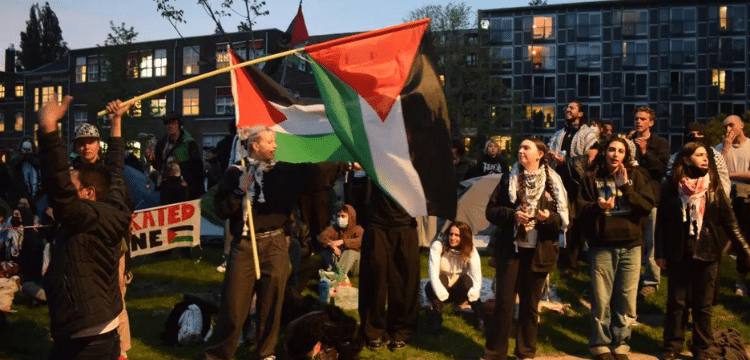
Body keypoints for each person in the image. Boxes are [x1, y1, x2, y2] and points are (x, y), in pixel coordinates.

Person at [205, 125, 356, 360]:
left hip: (275, 243)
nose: (276, 146)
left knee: (272, 305)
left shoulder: (283, 171)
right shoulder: (236, 172)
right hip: (245, 245)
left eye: (275, 141)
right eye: (270, 142)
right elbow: (222, 210)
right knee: (233, 306)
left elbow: (316, 173)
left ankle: (265, 352)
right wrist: (239, 189)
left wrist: (344, 164)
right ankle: (219, 354)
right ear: (255, 145)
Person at [37, 94, 132, 360]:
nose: (85, 148)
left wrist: (48, 131)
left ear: (89, 193)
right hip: (96, 327)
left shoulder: (83, 218)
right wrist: (116, 123)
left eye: (73, 183)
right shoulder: (111, 204)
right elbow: (115, 170)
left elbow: (60, 191)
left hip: (87, 335)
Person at [656, 142, 750, 360]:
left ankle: (701, 348)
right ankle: (672, 346)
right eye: (700, 155)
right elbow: (662, 222)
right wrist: (659, 252)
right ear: (687, 159)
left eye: (706, 155)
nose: (705, 158)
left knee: (703, 305)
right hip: (679, 250)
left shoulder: (713, 185)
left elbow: (730, 220)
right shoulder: (671, 186)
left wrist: (745, 248)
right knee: (677, 303)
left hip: (707, 251)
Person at [482, 138, 568, 360]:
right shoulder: (507, 180)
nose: (521, 150)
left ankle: (525, 353)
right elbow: (491, 211)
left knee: (530, 306)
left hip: (538, 252)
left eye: (526, 147)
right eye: (520, 147)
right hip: (511, 250)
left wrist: (548, 218)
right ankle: (495, 354)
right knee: (504, 303)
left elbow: (564, 220)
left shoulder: (553, 182)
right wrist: (512, 215)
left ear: (540, 154)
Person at [577, 136, 656, 360]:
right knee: (601, 298)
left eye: (620, 151)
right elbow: (579, 210)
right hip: (602, 245)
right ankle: (600, 344)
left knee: (627, 298)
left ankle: (621, 343)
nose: (615, 154)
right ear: (604, 152)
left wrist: (626, 188)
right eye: (612, 150)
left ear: (626, 155)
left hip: (631, 245)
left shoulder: (636, 177)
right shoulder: (591, 178)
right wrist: (597, 206)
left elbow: (647, 206)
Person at [358, 186, 419, 351]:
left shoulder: (417, 163)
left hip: (405, 225)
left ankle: (400, 329)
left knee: (403, 282)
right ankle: (373, 329)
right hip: (377, 223)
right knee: (374, 276)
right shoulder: (376, 161)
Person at [628, 106, 670, 298]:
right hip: (631, 196)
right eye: (637, 118)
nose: (639, 122)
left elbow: (662, 170)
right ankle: (632, 278)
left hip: (651, 197)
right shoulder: (629, 142)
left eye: (643, 119)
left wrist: (645, 152)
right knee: (634, 240)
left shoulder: (660, 143)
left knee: (652, 241)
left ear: (651, 122)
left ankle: (651, 281)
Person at [426, 221, 483, 334]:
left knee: (468, 281)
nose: (452, 238)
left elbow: (477, 275)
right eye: (451, 234)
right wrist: (442, 294)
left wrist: (473, 294)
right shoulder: (438, 246)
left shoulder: (470, 250)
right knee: (441, 278)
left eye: (457, 235)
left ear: (464, 237)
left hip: (458, 292)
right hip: (439, 291)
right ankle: (436, 318)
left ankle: (480, 318)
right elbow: (433, 273)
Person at [715, 115, 750, 297]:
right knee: (722, 240)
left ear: (741, 125)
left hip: (746, 198)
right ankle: (714, 282)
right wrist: (727, 147)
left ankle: (741, 281)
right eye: (725, 126)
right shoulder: (720, 148)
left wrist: (730, 173)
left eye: (731, 125)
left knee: (745, 239)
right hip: (727, 199)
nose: (728, 129)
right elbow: (715, 171)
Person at [149, 112, 204, 200]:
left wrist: (187, 181)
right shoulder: (162, 143)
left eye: (173, 123)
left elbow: (197, 167)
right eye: (168, 123)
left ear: (179, 124)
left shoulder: (188, 142)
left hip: (183, 188)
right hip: (166, 187)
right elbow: (159, 166)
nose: (170, 126)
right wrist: (152, 159)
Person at [547, 100, 599, 170]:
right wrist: (551, 155)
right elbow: (548, 155)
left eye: (571, 108)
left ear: (580, 114)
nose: (567, 110)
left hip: (577, 179)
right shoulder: (557, 134)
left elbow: (590, 160)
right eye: (567, 108)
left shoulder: (588, 134)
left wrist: (566, 161)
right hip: (558, 177)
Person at [318, 204, 363, 279]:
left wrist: (343, 241)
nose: (340, 219)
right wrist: (332, 246)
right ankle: (333, 272)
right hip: (337, 261)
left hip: (353, 266)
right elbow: (321, 237)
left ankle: (338, 274)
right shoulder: (334, 228)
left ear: (350, 217)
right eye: (338, 216)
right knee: (326, 252)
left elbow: (361, 240)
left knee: (350, 252)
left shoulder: (357, 229)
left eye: (343, 216)